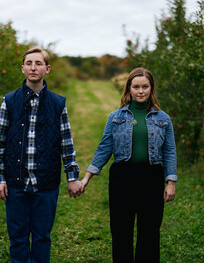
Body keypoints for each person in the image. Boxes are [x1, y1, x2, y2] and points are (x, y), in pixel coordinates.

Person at [0, 47, 82, 263]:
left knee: (42, 237)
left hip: (46, 183)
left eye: (38, 63)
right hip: (15, 183)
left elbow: (66, 143)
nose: (33, 67)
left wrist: (72, 177)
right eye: (29, 63)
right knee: (18, 238)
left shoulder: (58, 104)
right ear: (22, 68)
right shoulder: (10, 101)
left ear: (47, 69)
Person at [80, 67, 177, 263]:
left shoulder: (163, 119)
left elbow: (169, 151)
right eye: (136, 87)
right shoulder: (116, 118)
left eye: (145, 87)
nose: (141, 91)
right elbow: (104, 148)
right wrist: (87, 177)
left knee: (149, 232)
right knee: (121, 231)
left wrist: (170, 182)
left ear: (151, 89)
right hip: (122, 178)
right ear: (129, 89)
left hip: (152, 177)